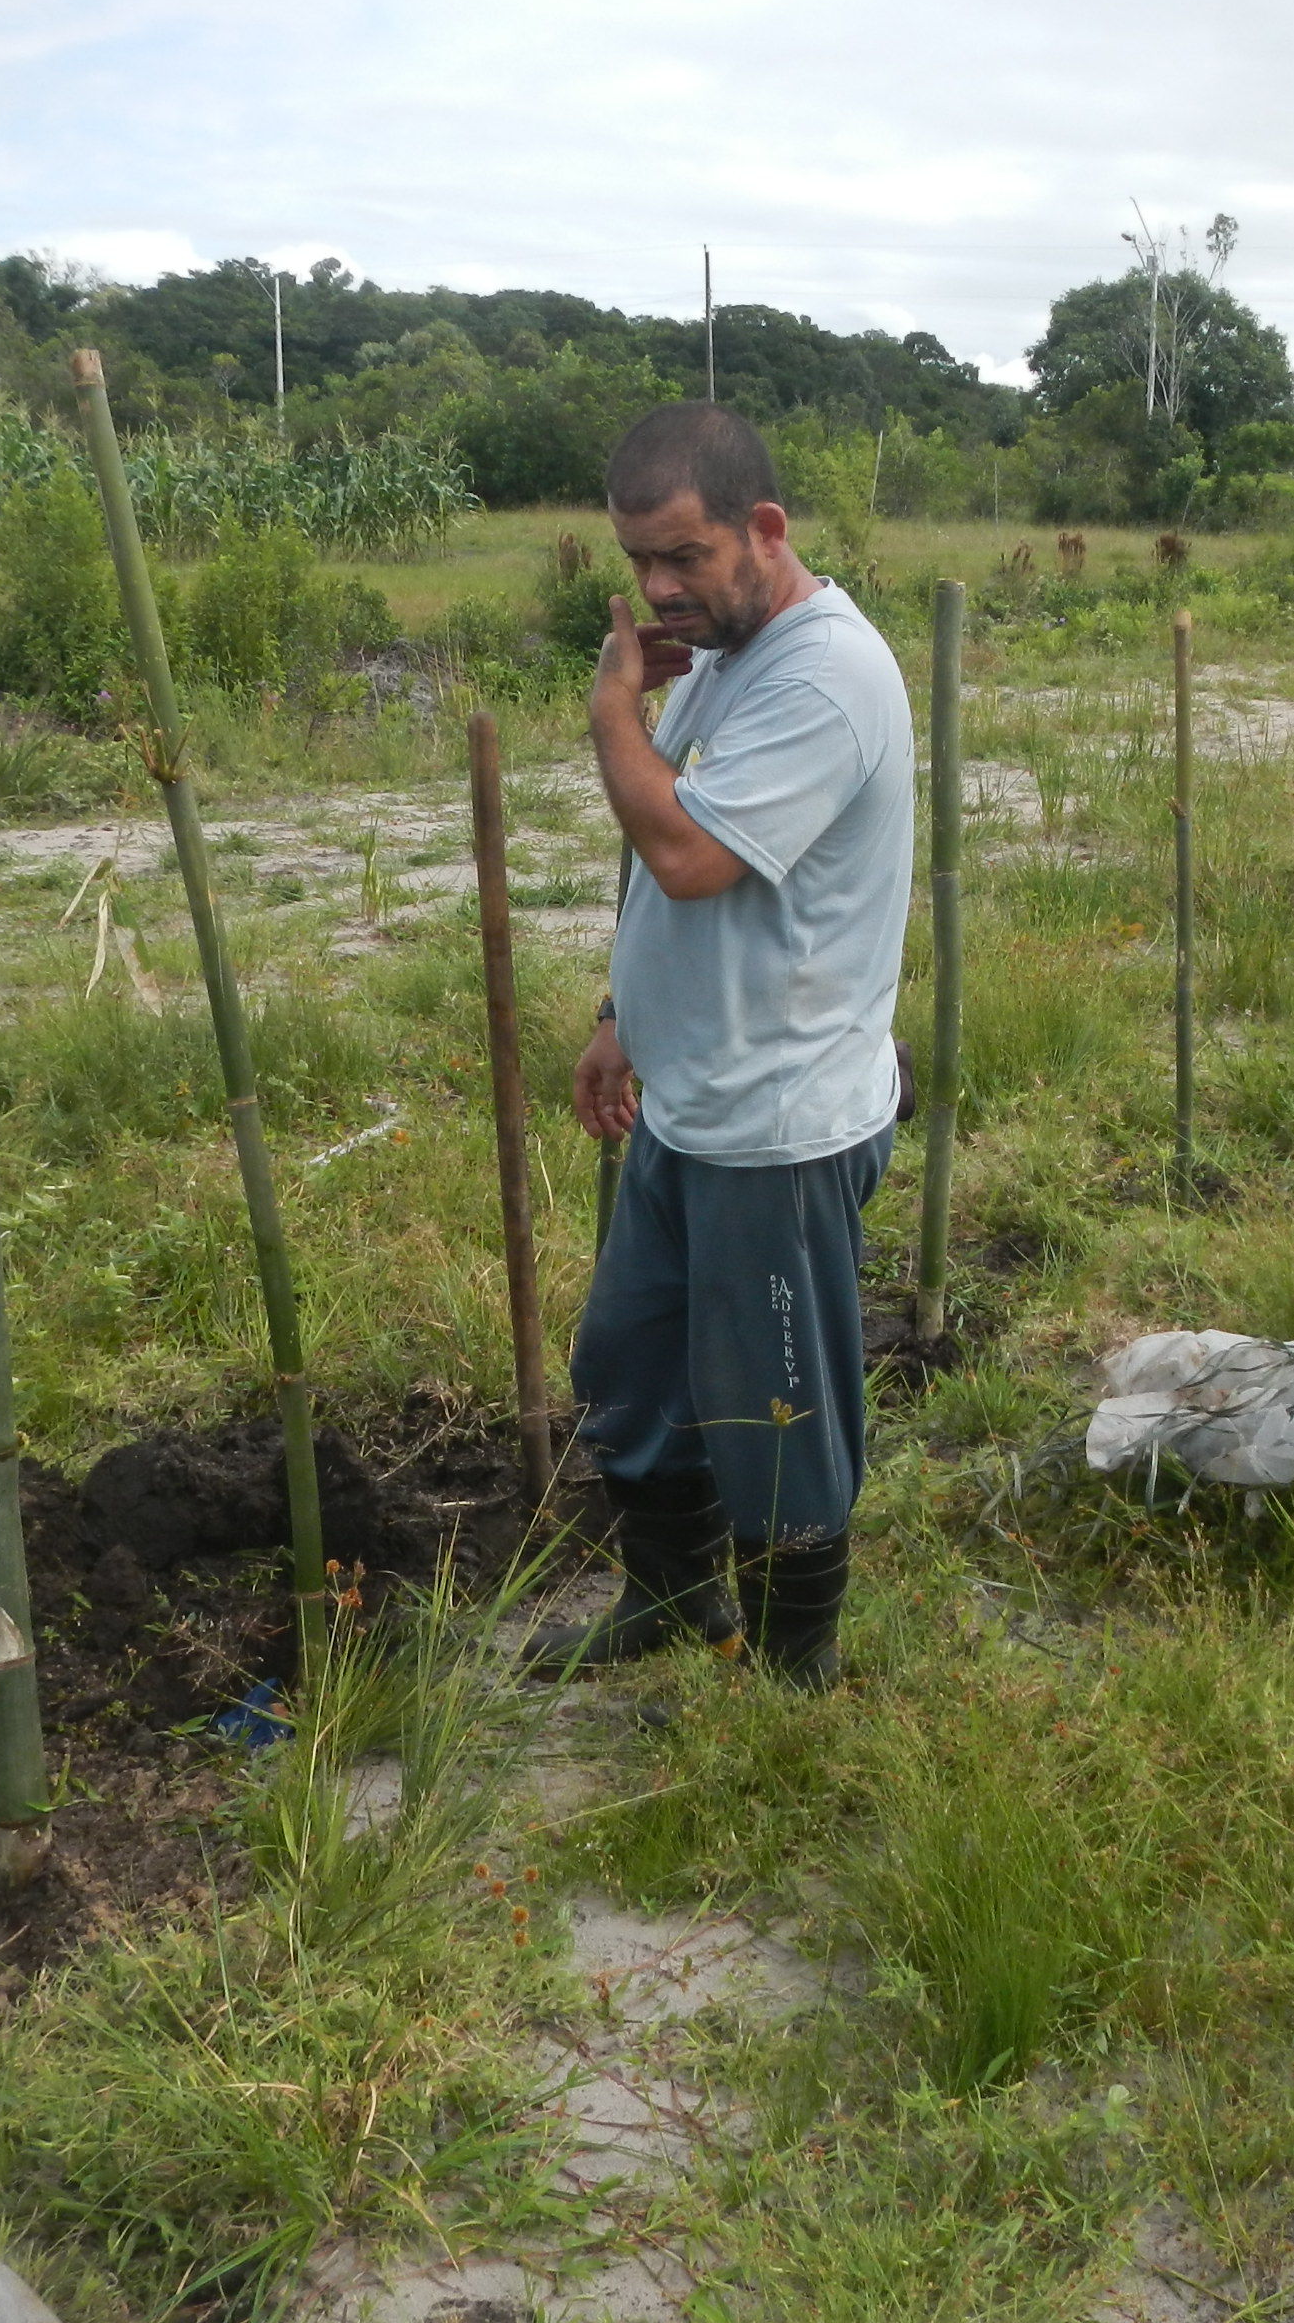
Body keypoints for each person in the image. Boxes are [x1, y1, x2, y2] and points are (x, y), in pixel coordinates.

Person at [536, 402, 911, 1690]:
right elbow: (673, 849)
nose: (657, 588)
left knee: (778, 1409)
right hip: (696, 1094)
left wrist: (611, 713)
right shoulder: (726, 656)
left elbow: (687, 856)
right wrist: (617, 1018)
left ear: (764, 530)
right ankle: (673, 1597)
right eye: (637, 561)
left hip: (781, 1116)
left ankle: (793, 1664)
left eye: (684, 556)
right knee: (628, 1365)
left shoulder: (826, 674)